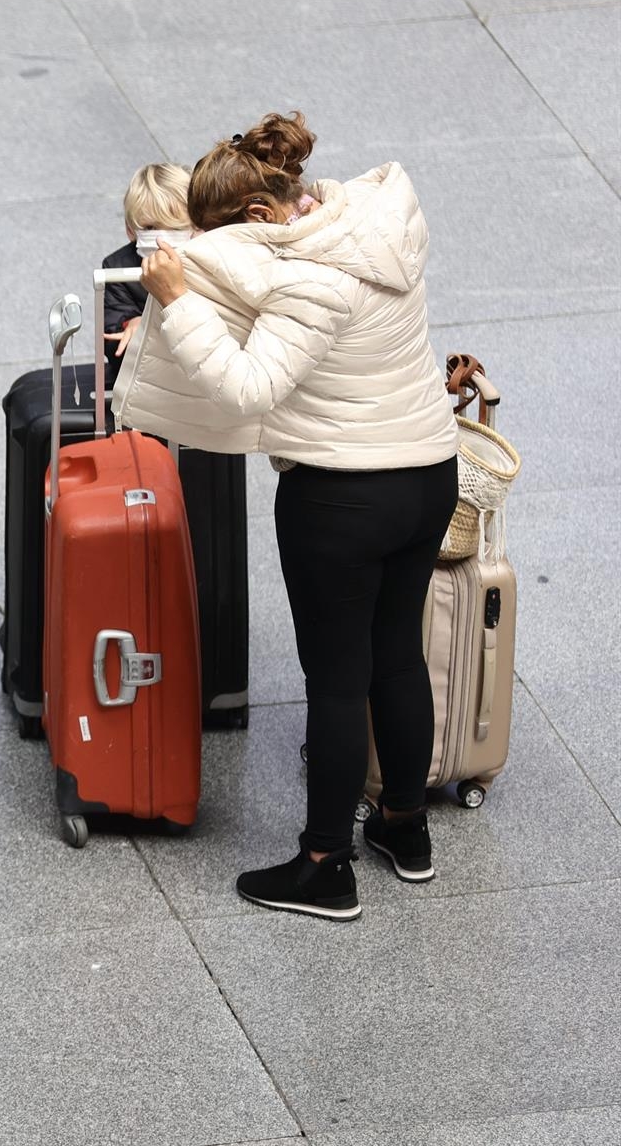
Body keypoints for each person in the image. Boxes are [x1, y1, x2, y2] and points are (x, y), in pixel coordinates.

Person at [112, 113, 459, 922]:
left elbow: (246, 388)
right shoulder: (369, 229)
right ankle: (405, 831)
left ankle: (323, 866)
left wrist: (177, 301)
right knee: (397, 656)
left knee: (337, 683)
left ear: (262, 218)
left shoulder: (309, 277)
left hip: (342, 496)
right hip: (427, 474)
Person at [101, 162, 194, 382]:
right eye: (151, 228)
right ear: (130, 230)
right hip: (146, 378)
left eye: (176, 227)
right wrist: (133, 323)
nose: (163, 238)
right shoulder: (117, 268)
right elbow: (113, 341)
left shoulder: (207, 259)